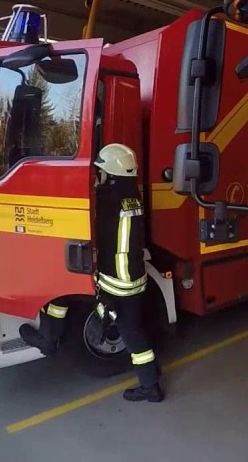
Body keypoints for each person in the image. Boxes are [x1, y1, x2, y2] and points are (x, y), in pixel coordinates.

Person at [19, 142, 164, 402]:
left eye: (100, 171)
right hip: (134, 277)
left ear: (110, 173)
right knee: (133, 329)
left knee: (132, 334)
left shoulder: (108, 200)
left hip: (117, 282)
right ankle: (150, 372)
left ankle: (150, 386)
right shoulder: (133, 196)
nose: (97, 175)